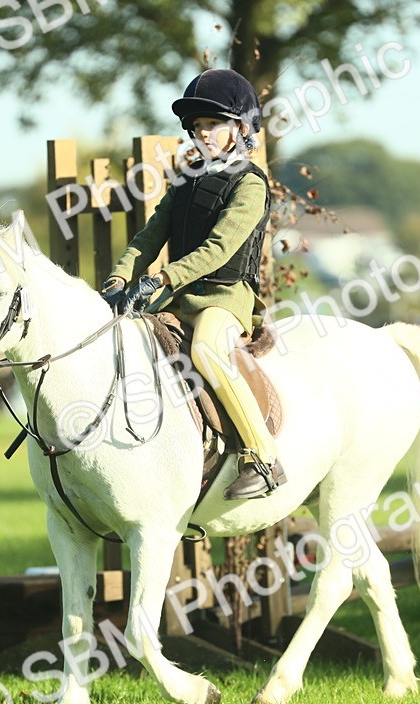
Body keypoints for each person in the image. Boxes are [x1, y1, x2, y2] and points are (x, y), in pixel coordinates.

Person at [100, 68, 283, 500]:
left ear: (240, 129)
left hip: (225, 297)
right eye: (197, 127)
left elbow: (219, 249)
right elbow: (150, 235)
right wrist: (120, 275)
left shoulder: (250, 185)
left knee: (204, 349)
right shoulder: (185, 180)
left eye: (211, 125)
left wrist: (163, 278)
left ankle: (264, 458)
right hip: (179, 294)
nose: (201, 134)